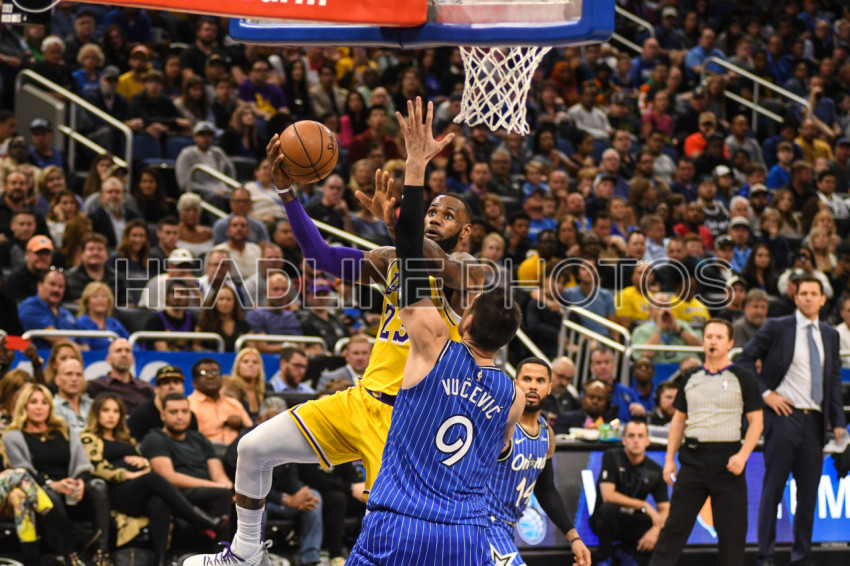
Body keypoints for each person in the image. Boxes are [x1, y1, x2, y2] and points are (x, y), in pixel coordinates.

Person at [183, 98, 488, 566]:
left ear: (465, 232)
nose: (434, 217)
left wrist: (411, 175)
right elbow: (320, 257)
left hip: (407, 424)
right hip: (359, 401)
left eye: (447, 216)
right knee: (253, 448)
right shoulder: (391, 259)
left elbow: (422, 254)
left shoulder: (468, 271)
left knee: (398, 538)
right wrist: (287, 193)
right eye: (430, 211)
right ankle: (244, 555)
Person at [737, 276, 847, 566]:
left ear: (823, 300)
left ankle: (801, 558)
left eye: (814, 293)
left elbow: (833, 379)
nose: (808, 298)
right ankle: (765, 556)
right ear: (795, 298)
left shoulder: (830, 334)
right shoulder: (777, 326)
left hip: (815, 423)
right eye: (803, 293)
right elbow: (744, 359)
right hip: (784, 418)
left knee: (808, 496)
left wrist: (838, 420)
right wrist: (766, 394)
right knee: (773, 489)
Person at [649, 319, 763, 566]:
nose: (713, 341)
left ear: (730, 343)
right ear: (702, 342)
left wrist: (743, 455)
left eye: (719, 337)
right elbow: (679, 420)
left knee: (732, 535)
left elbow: (757, 422)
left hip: (728, 462)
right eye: (709, 336)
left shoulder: (743, 377)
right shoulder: (690, 376)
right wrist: (669, 460)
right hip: (693, 459)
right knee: (673, 529)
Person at [80, 393, 226, 565]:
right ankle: (199, 518)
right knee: (153, 478)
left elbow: (145, 464)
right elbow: (96, 467)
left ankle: (160, 559)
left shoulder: (126, 439)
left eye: (116, 411)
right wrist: (129, 475)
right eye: (106, 411)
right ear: (96, 413)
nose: (111, 415)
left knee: (159, 503)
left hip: (136, 491)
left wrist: (144, 463)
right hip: (114, 493)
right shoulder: (89, 438)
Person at [485, 358, 591, 566]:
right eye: (527, 379)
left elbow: (546, 489)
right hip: (483, 523)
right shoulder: (500, 423)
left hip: (506, 527)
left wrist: (574, 537)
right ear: (515, 383)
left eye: (540, 380)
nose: (533, 386)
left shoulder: (546, 433)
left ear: (549, 388)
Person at [2, 384, 112, 563]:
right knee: (48, 492)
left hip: (73, 489)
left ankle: (101, 552)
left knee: (98, 486)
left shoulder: (64, 429)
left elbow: (82, 462)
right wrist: (53, 484)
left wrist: (80, 481)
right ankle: (71, 553)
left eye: (44, 402)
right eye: (33, 402)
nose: (39, 407)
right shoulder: (13, 436)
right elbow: (24, 472)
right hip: (41, 489)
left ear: (50, 406)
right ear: (24, 406)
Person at [225, 397, 324, 566]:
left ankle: (310, 558)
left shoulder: (286, 442)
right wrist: (286, 500)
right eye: (271, 420)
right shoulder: (245, 444)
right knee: (256, 506)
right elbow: (247, 486)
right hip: (253, 499)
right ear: (259, 420)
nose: (276, 426)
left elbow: (291, 478)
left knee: (313, 497)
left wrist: (301, 493)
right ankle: (253, 559)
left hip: (280, 500)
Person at [139, 393, 234, 544]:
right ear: (163, 415)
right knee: (222, 495)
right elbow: (169, 477)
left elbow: (218, 473)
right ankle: (219, 551)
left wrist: (228, 486)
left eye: (184, 411)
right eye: (173, 412)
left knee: (242, 498)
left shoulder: (199, 438)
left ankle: (247, 551)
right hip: (177, 494)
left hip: (208, 491)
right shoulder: (155, 438)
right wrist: (217, 487)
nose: (180, 416)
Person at [591, 419, 670, 566]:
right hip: (604, 519)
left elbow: (665, 509)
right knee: (609, 509)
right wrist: (644, 505)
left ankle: (628, 554)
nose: (636, 440)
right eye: (631, 436)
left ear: (647, 441)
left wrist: (656, 530)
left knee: (662, 526)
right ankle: (604, 558)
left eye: (640, 436)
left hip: (633, 519)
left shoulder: (656, 470)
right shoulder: (611, 456)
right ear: (623, 440)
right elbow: (608, 495)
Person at [188, 358, 253, 446]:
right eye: (204, 373)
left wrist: (241, 425)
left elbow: (252, 432)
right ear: (194, 382)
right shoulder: (189, 405)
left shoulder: (234, 403)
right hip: (205, 451)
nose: (211, 376)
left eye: (215, 372)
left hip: (237, 451)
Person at [128, 365, 199, 442]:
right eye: (166, 383)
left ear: (183, 388)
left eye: (176, 382)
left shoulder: (189, 416)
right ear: (156, 389)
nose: (172, 387)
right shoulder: (141, 416)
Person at [85, 338, 153, 413]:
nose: (124, 355)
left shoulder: (146, 389)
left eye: (127, 351)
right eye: (118, 351)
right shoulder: (95, 387)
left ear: (133, 359)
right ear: (108, 359)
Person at [19, 269, 79, 350]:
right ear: (40, 285)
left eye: (61, 286)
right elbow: (53, 337)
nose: (56, 290)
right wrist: (78, 349)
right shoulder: (29, 307)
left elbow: (82, 340)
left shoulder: (66, 314)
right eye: (52, 284)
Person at [75, 282, 130, 350]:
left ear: (109, 302)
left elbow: (131, 343)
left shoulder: (114, 323)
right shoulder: (82, 322)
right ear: (87, 303)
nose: (100, 300)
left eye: (104, 296)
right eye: (95, 296)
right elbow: (85, 349)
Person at [52, 358, 92, 434]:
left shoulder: (93, 406)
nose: (74, 379)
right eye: (69, 374)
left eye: (79, 375)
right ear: (57, 380)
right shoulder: (51, 408)